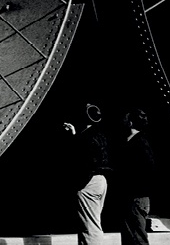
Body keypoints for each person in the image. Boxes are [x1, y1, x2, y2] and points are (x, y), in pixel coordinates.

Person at [63, 103, 112, 245]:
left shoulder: (87, 137)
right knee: (92, 222)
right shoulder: (99, 135)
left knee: (90, 227)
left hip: (89, 182)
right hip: (100, 180)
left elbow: (82, 158)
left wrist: (80, 184)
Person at [117, 108, 156, 245]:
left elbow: (149, 168)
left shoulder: (140, 142)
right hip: (134, 196)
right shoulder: (135, 140)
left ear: (131, 123)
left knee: (137, 237)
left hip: (136, 196)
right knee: (131, 237)